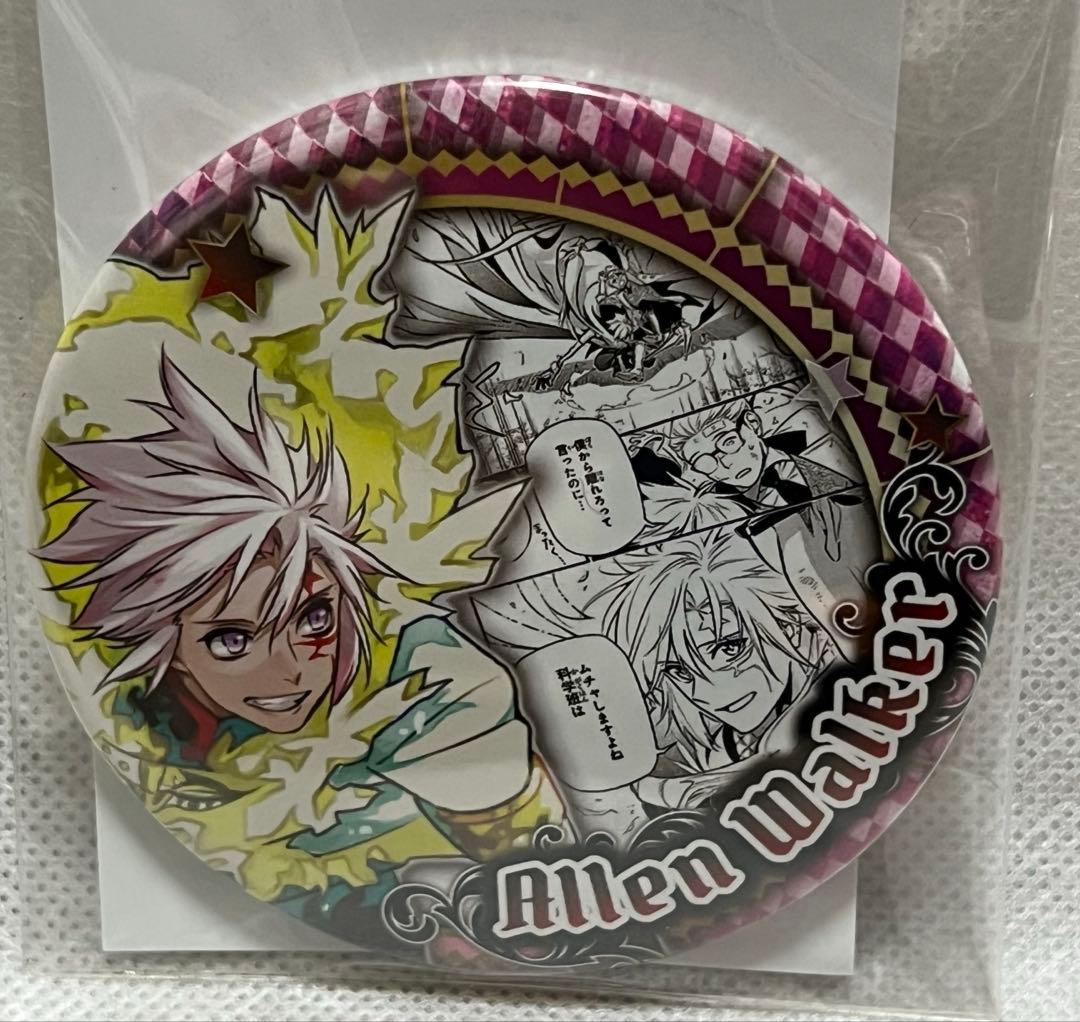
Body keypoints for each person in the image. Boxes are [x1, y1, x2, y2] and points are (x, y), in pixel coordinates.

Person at [38, 352, 559, 920]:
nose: (289, 671)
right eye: (232, 641)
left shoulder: (422, 681)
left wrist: (483, 765)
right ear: (169, 643)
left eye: (314, 618)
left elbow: (537, 874)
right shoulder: (140, 720)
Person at [590, 530, 838, 809]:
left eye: (731, 647)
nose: (708, 691)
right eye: (679, 671)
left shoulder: (841, 695)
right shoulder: (702, 758)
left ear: (787, 625)